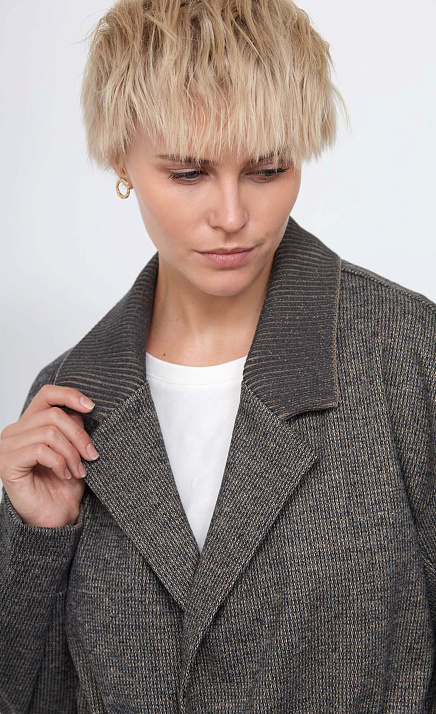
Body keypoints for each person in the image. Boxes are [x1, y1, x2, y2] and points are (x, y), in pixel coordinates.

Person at [0, 0, 435, 711]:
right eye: (188, 173)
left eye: (267, 170)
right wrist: (35, 540)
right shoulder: (67, 400)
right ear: (121, 158)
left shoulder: (404, 350)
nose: (232, 216)